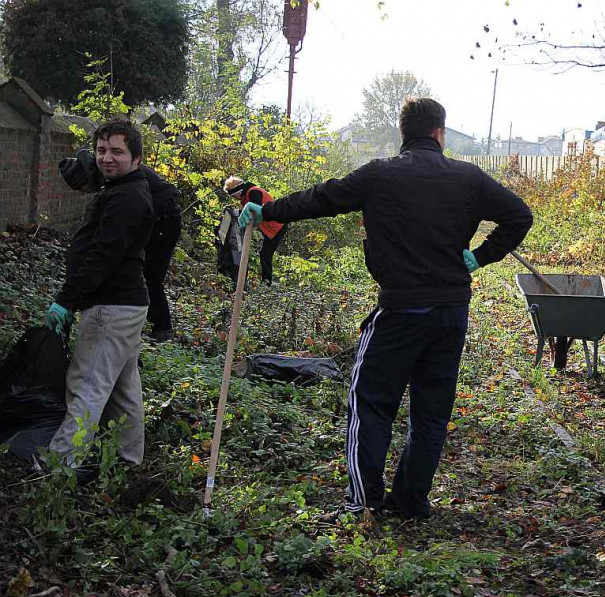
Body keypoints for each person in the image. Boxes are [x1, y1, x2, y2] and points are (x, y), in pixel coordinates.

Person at [237, 97, 533, 519]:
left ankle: (364, 504)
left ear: (404, 133)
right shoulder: (468, 178)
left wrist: (268, 210)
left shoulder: (380, 174)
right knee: (432, 410)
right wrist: (482, 256)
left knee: (370, 399)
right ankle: (411, 500)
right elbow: (520, 216)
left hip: (400, 310)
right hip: (451, 312)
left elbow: (322, 198)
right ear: (439, 133)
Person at [45, 120, 154, 477]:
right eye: (102, 151)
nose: (107, 158)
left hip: (111, 307)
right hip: (126, 305)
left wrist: (67, 299)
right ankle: (127, 459)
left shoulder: (126, 199)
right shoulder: (121, 189)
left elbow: (103, 257)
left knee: (87, 385)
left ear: (136, 157)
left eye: (117, 152)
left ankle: (60, 467)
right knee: (123, 387)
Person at [58, 150, 182, 342]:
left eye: (83, 187)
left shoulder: (120, 180)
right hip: (158, 219)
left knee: (151, 276)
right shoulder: (110, 180)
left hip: (165, 221)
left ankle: (162, 329)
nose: (84, 192)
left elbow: (110, 247)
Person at [141, 165, 182, 342]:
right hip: (161, 223)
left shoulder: (129, 173)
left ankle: (162, 329)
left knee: (152, 278)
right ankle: (157, 326)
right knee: (148, 278)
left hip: (164, 225)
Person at [223, 176, 288, 285]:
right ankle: (266, 281)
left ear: (238, 191)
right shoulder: (247, 196)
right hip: (271, 227)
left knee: (265, 254)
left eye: (234, 196)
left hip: (277, 226)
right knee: (265, 254)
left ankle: (267, 283)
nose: (235, 199)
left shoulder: (253, 193)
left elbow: (256, 212)